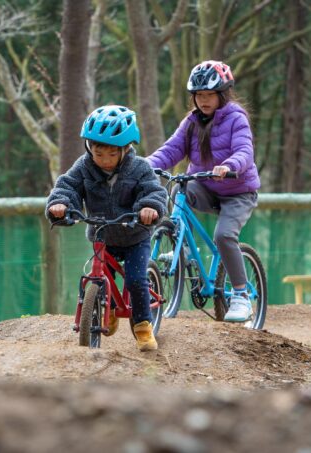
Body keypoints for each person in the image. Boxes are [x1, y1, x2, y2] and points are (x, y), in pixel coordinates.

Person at [146, 60, 260, 323]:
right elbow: (172, 150)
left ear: (222, 94)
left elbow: (245, 151)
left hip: (238, 191)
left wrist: (229, 165)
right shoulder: (191, 122)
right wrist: (143, 165)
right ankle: (181, 248)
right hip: (206, 186)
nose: (204, 100)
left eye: (209, 95)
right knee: (178, 188)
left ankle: (241, 295)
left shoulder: (236, 117)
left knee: (223, 235)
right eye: (199, 95)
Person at [45, 105, 167, 351]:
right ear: (89, 148)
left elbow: (154, 191)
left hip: (135, 235)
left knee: (135, 279)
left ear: (126, 149)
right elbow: (67, 186)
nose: (104, 161)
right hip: (102, 235)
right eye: (98, 153)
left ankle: (143, 325)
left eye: (112, 154)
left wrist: (149, 208)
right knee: (102, 276)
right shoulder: (84, 166)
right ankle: (105, 309)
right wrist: (59, 204)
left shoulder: (140, 167)